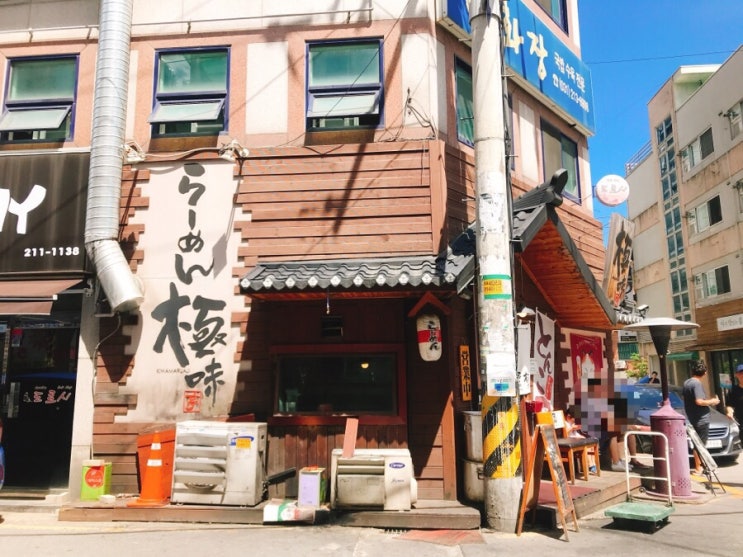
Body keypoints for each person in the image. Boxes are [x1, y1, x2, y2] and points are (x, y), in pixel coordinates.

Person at [683, 361, 720, 474]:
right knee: (700, 444)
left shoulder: (687, 383)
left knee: (698, 442)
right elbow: (699, 401)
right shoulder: (697, 384)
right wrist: (712, 401)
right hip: (701, 418)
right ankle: (699, 467)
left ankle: (701, 465)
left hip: (693, 416)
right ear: (704, 373)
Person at [564, 406, 597, 473]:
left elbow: (575, 431)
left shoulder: (572, 422)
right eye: (574, 419)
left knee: (590, 444)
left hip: (575, 436)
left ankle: (593, 463)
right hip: (569, 438)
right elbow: (565, 433)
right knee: (586, 445)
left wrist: (577, 428)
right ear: (568, 416)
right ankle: (590, 465)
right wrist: (572, 428)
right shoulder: (565, 423)